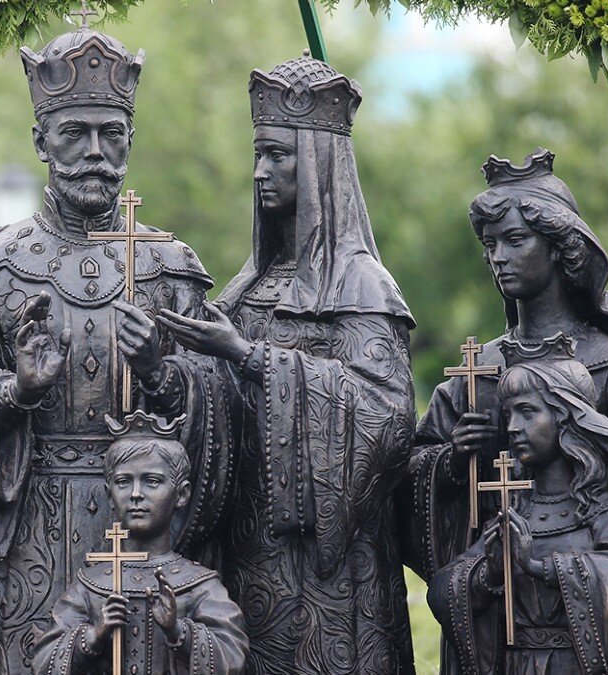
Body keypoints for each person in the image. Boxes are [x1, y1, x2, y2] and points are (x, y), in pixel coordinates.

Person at [0, 24, 233, 673]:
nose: (94, 152)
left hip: (145, 529)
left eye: (111, 134)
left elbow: (226, 412)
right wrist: (13, 390)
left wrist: (163, 375)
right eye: (74, 133)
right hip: (28, 529)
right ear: (40, 141)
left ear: (130, 140)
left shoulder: (170, 269)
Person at [158, 54, 417, 673]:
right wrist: (162, 371)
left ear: (320, 161)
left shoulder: (362, 285)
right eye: (258, 154)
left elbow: (387, 416)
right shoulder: (247, 287)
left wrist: (248, 355)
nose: (260, 172)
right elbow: (212, 399)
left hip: (329, 570)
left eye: (278, 155)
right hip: (244, 552)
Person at [401, 148, 608, 627]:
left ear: (560, 246)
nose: (498, 257)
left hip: (583, 604)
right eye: (490, 244)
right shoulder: (476, 370)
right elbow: (410, 472)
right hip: (491, 602)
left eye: (515, 240)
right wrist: (451, 460)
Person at [428, 338, 608, 674]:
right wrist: (489, 573)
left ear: (566, 417)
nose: (512, 427)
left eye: (527, 412)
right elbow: (441, 593)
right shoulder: (514, 510)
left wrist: (539, 567)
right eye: (507, 415)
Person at [34, 412, 248, 675]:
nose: (136, 494)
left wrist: (177, 630)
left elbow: (232, 657)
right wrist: (93, 636)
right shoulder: (91, 586)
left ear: (181, 494)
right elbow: (43, 663)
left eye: (152, 481)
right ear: (109, 495)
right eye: (124, 482)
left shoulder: (199, 586)